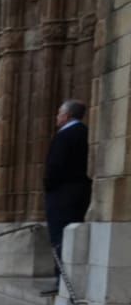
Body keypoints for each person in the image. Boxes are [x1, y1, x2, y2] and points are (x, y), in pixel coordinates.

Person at [44, 98, 92, 269]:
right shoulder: (86, 133)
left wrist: (49, 187)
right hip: (81, 192)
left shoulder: (64, 136)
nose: (57, 117)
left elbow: (55, 167)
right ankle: (68, 276)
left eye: (59, 113)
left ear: (66, 115)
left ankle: (61, 279)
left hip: (61, 195)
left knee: (59, 236)